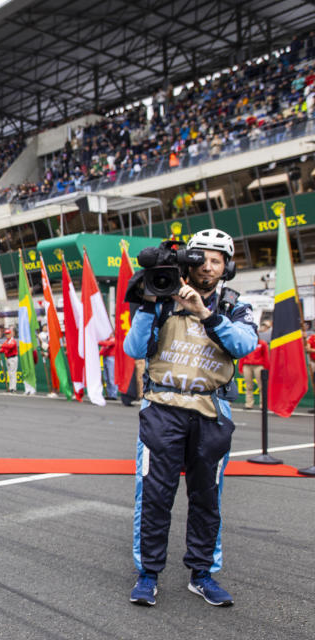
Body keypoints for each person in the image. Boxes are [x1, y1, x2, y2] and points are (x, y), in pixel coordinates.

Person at [124, 229, 257, 607]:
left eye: (217, 260)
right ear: (188, 261)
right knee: (153, 496)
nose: (208, 266)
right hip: (162, 409)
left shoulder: (233, 305)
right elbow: (133, 348)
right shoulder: (162, 295)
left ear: (227, 267)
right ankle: (147, 574)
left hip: (211, 411)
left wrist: (205, 313)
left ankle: (202, 574)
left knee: (207, 498)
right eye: (201, 258)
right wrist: (150, 302)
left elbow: (246, 345)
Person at [238, 322, 269, 410]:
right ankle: (249, 404)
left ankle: (263, 404)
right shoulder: (246, 343)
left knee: (262, 386)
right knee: (248, 386)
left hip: (259, 366)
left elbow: (266, 357)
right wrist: (241, 368)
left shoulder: (262, 344)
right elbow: (242, 356)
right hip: (247, 366)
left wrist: (266, 368)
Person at [99, 334, 119, 400]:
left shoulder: (114, 338)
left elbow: (108, 344)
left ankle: (113, 394)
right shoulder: (106, 339)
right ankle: (109, 394)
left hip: (111, 358)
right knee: (107, 377)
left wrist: (97, 342)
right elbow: (102, 350)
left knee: (111, 377)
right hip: (105, 358)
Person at [0, 327, 19, 392]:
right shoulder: (6, 341)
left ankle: (13, 388)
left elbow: (10, 346)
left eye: (8, 334)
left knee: (13, 373)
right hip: (7, 358)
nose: (7, 335)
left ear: (11, 334)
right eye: (6, 334)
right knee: (10, 373)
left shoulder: (13, 341)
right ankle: (11, 387)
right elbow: (4, 349)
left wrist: (0, 345)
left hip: (13, 358)